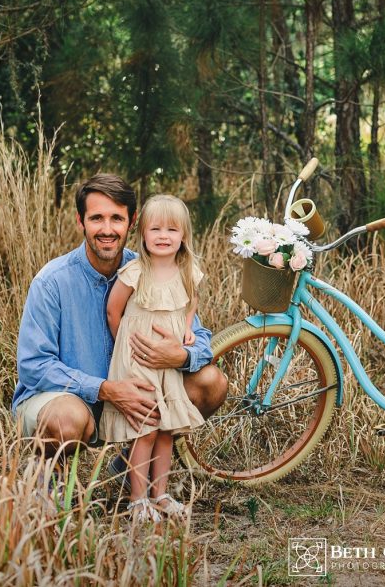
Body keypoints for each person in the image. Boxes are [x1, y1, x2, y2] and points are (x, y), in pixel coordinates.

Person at [12, 174, 227, 497]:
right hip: (72, 399)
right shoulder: (52, 282)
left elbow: (200, 337)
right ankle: (49, 477)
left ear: (132, 223)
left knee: (212, 382)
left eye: (117, 218)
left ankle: (132, 466)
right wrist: (105, 389)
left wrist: (180, 356)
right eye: (97, 218)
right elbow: (33, 366)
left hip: (140, 397)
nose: (107, 229)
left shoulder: (153, 270)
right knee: (67, 419)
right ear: (80, 221)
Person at [98, 195, 206, 523]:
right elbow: (113, 310)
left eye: (172, 229)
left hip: (168, 360)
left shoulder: (188, 270)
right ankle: (136, 499)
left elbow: (191, 302)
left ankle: (160, 494)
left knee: (166, 429)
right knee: (145, 428)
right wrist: (126, 349)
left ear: (183, 235)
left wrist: (187, 330)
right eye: (155, 228)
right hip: (137, 361)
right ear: (142, 233)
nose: (163, 235)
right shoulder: (134, 271)